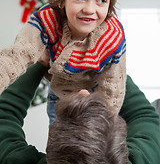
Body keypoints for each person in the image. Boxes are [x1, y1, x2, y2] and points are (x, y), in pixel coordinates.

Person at [0, 0, 126, 117]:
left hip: (94, 97)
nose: (90, 9)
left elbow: (113, 86)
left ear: (110, 5)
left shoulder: (112, 36)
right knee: (59, 139)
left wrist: (104, 119)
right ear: (62, 0)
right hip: (60, 96)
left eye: (101, 1)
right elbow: (16, 56)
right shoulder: (47, 21)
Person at [0, 52, 160, 163]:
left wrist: (40, 63)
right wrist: (108, 64)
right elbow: (144, 117)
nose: (83, 91)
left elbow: (4, 116)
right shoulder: (144, 157)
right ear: (122, 149)